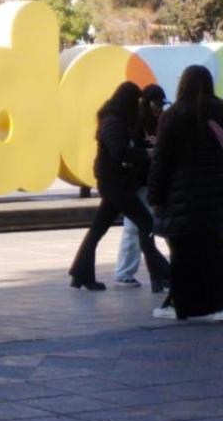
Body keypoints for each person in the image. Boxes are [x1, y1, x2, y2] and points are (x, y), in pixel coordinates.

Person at [148, 64, 223, 323]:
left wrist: (155, 196)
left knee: (183, 253)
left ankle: (186, 306)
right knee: (217, 250)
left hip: (182, 197)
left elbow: (161, 162)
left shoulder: (173, 116)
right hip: (216, 195)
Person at [69, 80, 170, 294]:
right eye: (136, 101)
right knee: (145, 222)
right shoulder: (112, 122)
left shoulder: (119, 119)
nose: (138, 106)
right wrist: (147, 154)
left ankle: (81, 273)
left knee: (98, 229)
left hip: (115, 182)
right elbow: (119, 151)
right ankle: (161, 273)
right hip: (114, 183)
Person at [114, 83, 167, 287]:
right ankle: (127, 272)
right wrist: (146, 154)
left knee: (148, 228)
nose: (159, 108)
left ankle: (157, 273)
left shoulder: (163, 121)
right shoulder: (135, 124)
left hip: (154, 182)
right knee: (133, 229)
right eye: (156, 104)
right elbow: (127, 152)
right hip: (137, 183)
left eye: (161, 104)